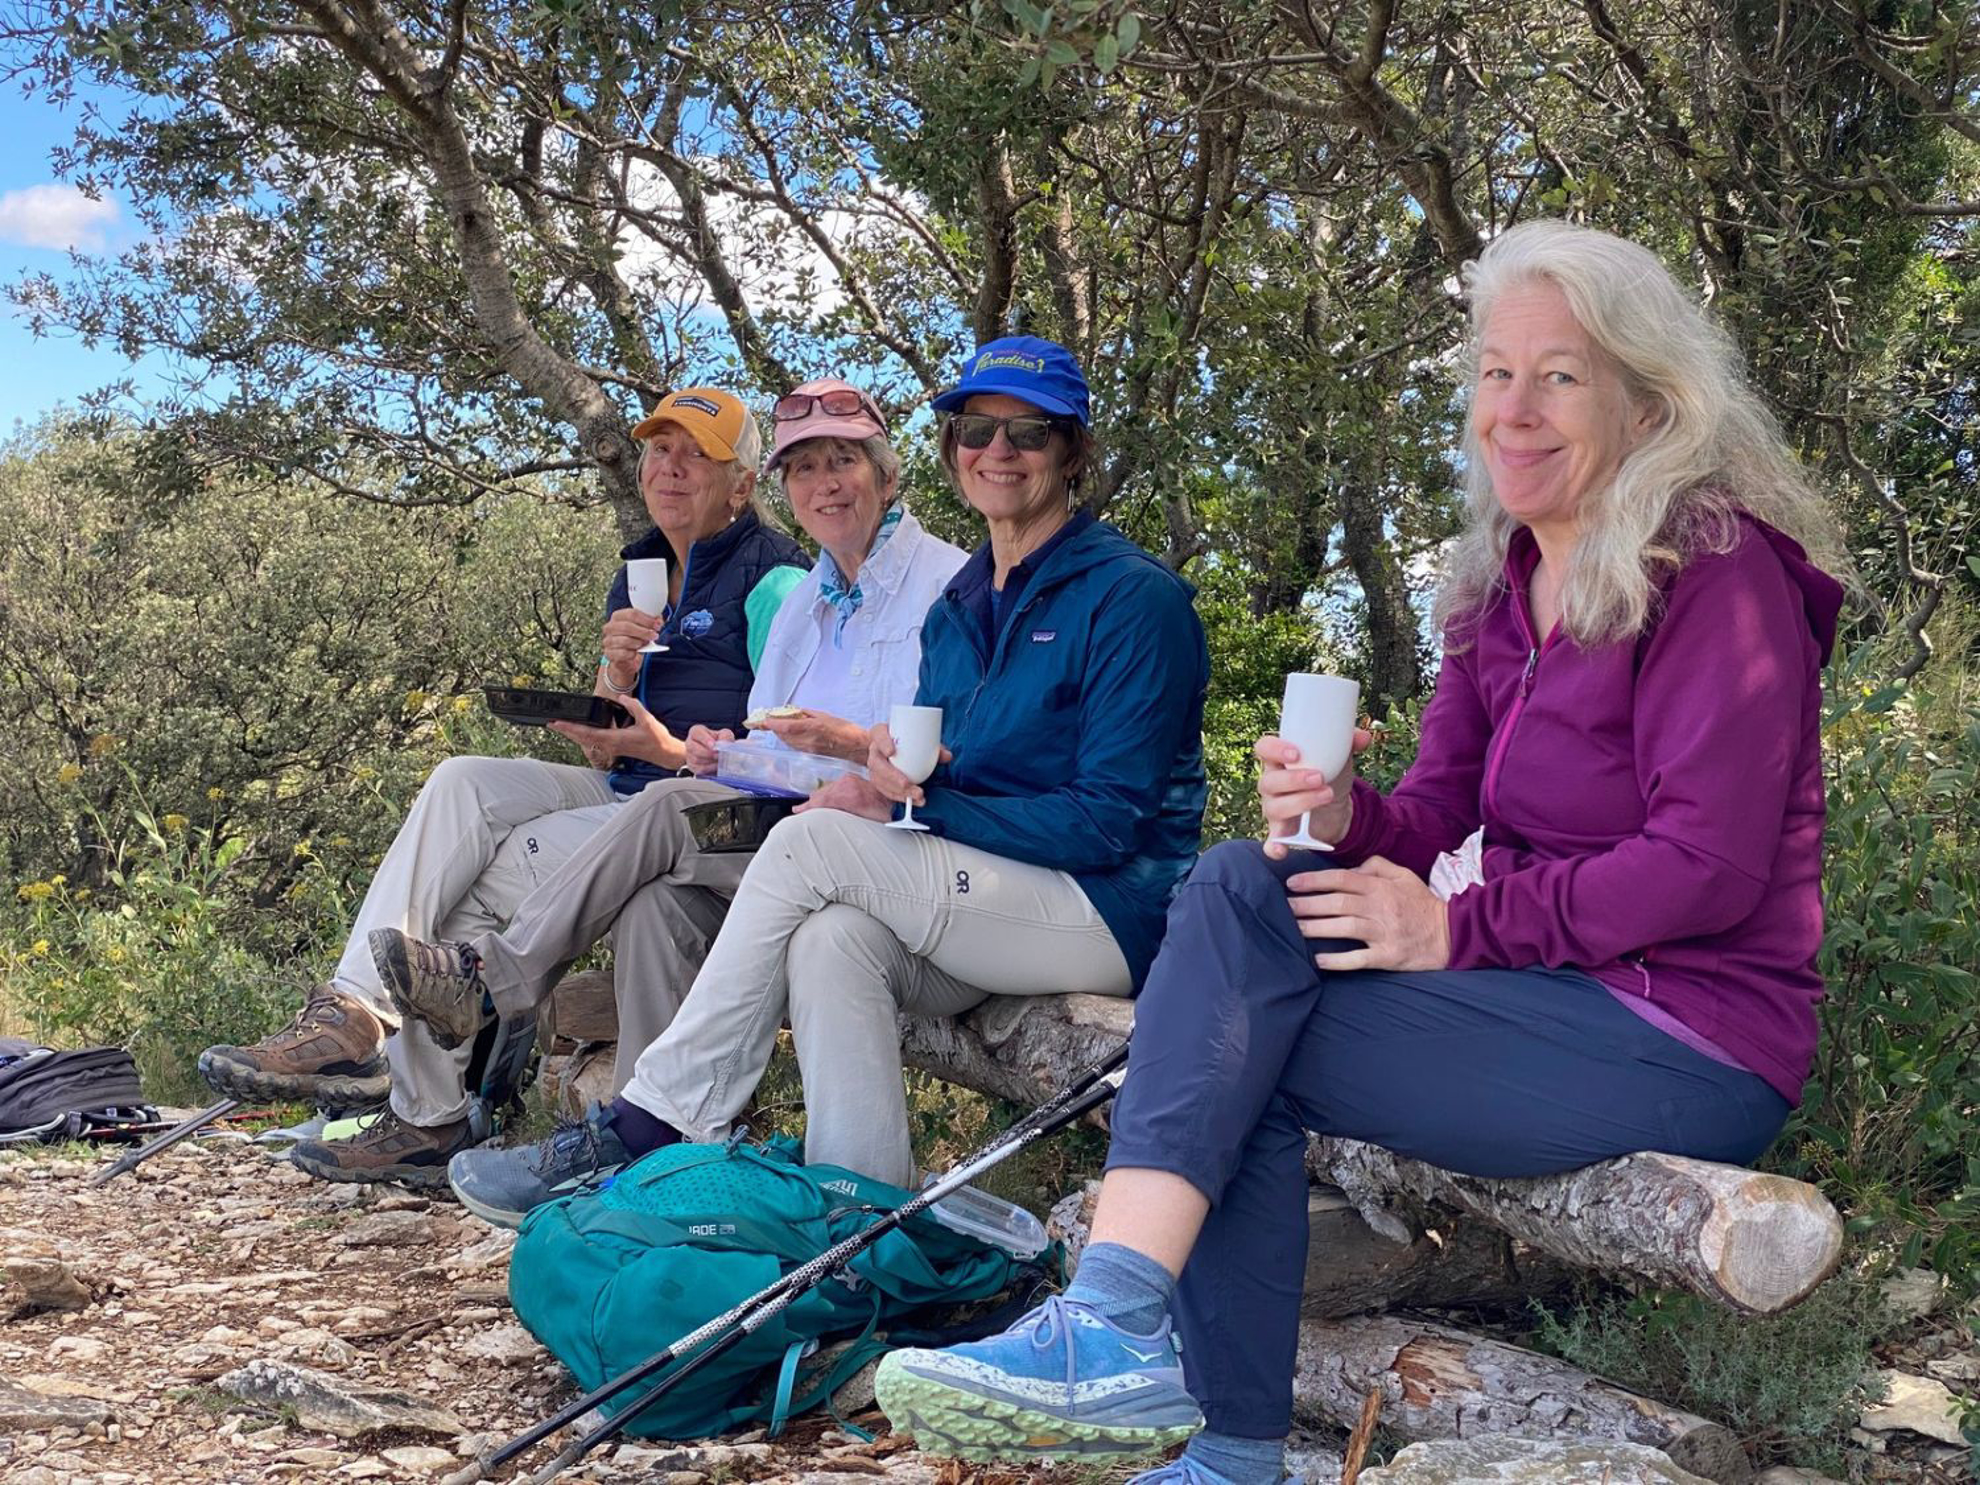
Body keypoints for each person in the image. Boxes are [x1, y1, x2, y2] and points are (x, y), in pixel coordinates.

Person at [870, 221, 1849, 1483]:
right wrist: (1340, 816)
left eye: (1561, 374)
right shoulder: (1506, 587)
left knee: (1247, 1050)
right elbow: (1435, 811)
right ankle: (1123, 1338)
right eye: (1497, 374)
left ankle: (1192, 1420)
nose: (1517, 408)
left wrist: (1458, 930)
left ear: (1649, 399)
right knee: (1239, 880)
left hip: (1692, 1031)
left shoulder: (1714, 571)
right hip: (1545, 996)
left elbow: (1707, 866)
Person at [446, 334, 1211, 1223]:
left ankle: (655, 1120)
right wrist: (900, 772)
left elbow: (1107, 824)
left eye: (1029, 433)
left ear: (1073, 451)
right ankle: (859, 1226)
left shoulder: (1131, 597)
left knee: (814, 842)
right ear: (951, 448)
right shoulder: (965, 606)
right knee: (831, 938)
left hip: (1105, 910)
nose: (998, 452)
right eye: (976, 429)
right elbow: (962, 762)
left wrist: (900, 797)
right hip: (989, 892)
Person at [320, 381, 965, 1194]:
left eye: (844, 462)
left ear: (885, 474)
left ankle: (492, 985)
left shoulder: (940, 585)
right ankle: (653, 1165)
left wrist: (727, 758)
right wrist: (709, 754)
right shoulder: (803, 604)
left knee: (633, 818)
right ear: (785, 488)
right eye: (805, 468)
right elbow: (770, 743)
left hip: (873, 846)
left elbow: (935, 756)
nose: (825, 484)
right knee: (648, 897)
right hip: (768, 821)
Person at [200, 389, 809, 1182]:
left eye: (696, 453)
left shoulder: (775, 582)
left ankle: (426, 1115)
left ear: (742, 483)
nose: (670, 467)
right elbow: (603, 758)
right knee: (460, 782)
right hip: (625, 790)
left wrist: (662, 749)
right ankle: (352, 1011)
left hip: (699, 813)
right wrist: (613, 678)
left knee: (482, 878)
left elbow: (783, 754)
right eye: (660, 449)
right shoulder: (640, 569)